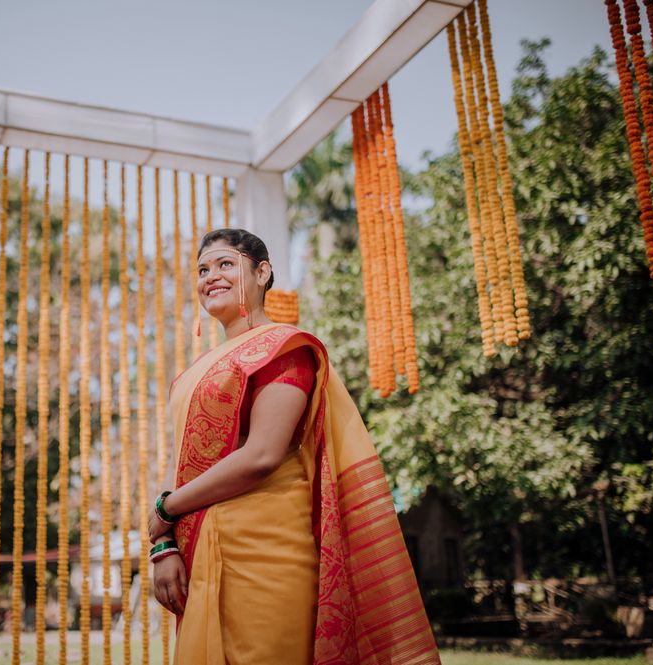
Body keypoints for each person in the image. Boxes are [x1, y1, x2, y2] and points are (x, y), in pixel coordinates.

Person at [147, 229, 440, 664]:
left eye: (226, 264)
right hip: (199, 554)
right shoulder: (197, 370)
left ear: (262, 272)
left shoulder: (283, 348)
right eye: (203, 270)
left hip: (267, 555)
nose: (211, 276)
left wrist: (165, 511)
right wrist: (164, 544)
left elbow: (262, 456)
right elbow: (186, 464)